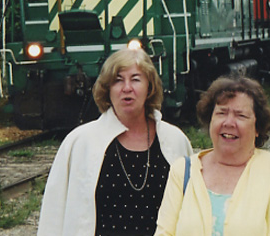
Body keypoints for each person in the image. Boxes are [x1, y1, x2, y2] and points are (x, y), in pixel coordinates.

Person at [37, 47, 193, 236]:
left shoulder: (176, 141)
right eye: (118, 80)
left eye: (135, 79)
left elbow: (193, 212)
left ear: (149, 87)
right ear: (107, 89)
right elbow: (53, 215)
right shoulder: (80, 143)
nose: (127, 88)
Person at [155, 76, 270, 236]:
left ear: (258, 127)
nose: (229, 123)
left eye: (241, 115)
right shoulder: (183, 171)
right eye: (221, 113)